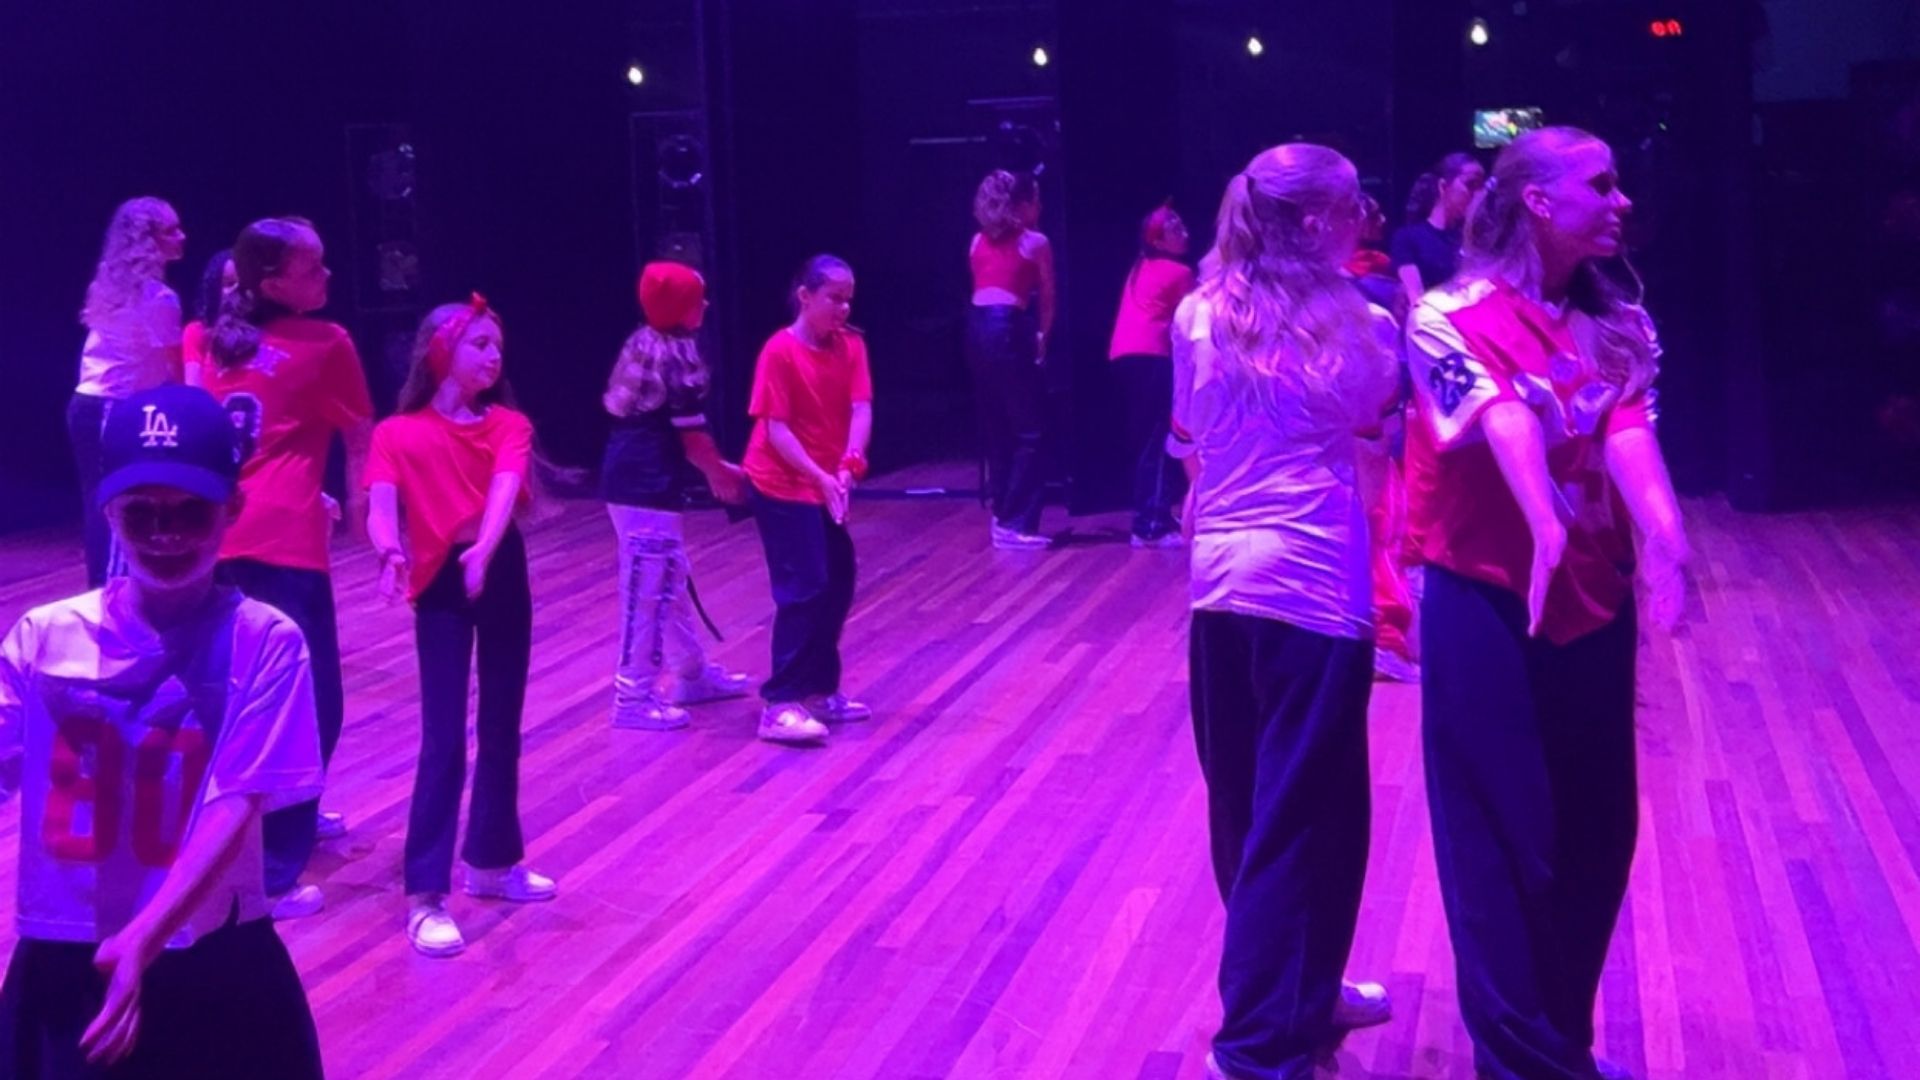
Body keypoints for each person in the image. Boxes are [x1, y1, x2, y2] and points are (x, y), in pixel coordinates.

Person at [1405, 127, 1691, 1080]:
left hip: (1592, 598)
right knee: (1501, 833)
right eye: (1601, 186)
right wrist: (1543, 522)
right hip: (1486, 596)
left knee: (1598, 833)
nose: (1621, 202)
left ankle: (1559, 1042)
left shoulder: (1621, 320)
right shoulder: (1446, 314)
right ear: (1537, 201)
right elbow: (1503, 416)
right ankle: (1522, 1060)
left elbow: (1627, 429)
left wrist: (1668, 539)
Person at [0, 384, 325, 1079]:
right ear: (108, 512)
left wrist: (144, 939)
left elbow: (235, 801)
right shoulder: (43, 637)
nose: (165, 534)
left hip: (211, 950)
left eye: (189, 512)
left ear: (232, 509)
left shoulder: (265, 642)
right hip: (69, 947)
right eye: (141, 513)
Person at [1172, 144, 1398, 1080]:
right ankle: (1259, 1047)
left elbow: (1190, 435)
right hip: (1314, 589)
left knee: (1246, 806)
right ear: (1314, 222)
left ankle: (1301, 992)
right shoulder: (1364, 324)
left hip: (1220, 584)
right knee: (1311, 817)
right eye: (1352, 208)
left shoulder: (1196, 313)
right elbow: (1378, 424)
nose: (1364, 221)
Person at [367, 295, 557, 957]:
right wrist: (389, 550)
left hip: (499, 567)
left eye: (497, 346)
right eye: (480, 344)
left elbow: (504, 489)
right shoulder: (398, 433)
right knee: (443, 736)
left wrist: (484, 549)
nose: (493, 356)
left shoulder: (508, 423)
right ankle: (425, 895)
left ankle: (492, 862)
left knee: (502, 722)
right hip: (440, 582)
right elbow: (381, 504)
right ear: (441, 351)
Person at [200, 217, 372, 919]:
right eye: (313, 269)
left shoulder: (202, 340)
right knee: (309, 702)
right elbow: (359, 437)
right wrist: (366, 519)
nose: (327, 277)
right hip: (285, 544)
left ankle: (237, 838)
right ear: (272, 284)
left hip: (213, 539)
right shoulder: (327, 343)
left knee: (230, 696)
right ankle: (270, 872)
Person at [601, 261, 753, 730]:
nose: (704, 305)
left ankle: (692, 675)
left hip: (635, 478)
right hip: (642, 485)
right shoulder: (675, 356)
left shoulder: (644, 342)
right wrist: (721, 474)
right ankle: (632, 697)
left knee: (668, 577)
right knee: (647, 589)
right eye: (695, 299)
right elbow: (692, 437)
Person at [742, 255, 874, 746]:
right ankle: (779, 703)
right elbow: (776, 430)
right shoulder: (779, 351)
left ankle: (819, 689)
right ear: (805, 296)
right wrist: (821, 477)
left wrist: (847, 466)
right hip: (781, 480)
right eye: (834, 298)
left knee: (838, 578)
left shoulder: (851, 345)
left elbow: (860, 409)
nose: (843, 308)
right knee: (804, 584)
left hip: (824, 479)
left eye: (848, 299)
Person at [71, 197, 187, 587]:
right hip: (112, 404)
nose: (182, 236)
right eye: (171, 230)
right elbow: (174, 369)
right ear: (147, 241)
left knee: (101, 499)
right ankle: (111, 591)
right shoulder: (159, 298)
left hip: (89, 404)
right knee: (115, 500)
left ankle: (107, 588)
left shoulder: (107, 286)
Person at [966, 169, 1057, 549]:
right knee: (1031, 431)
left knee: (998, 428)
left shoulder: (976, 241)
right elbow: (1048, 297)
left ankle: (1001, 512)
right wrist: (1042, 337)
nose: (1040, 207)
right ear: (1021, 205)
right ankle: (1015, 522)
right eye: (1036, 200)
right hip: (1006, 328)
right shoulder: (1035, 242)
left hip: (975, 328)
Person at [1108, 201, 1196, 548]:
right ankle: (1150, 526)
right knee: (1159, 439)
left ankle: (1152, 512)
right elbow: (1191, 322)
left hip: (1125, 355)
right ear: (1158, 241)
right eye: (1175, 229)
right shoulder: (1179, 273)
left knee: (1148, 438)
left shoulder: (1140, 267)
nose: (1184, 232)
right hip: (1151, 355)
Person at [1391, 152, 1486, 308]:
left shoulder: (1477, 239)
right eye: (1470, 185)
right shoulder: (1408, 238)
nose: (1477, 195)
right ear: (1443, 186)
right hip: (1433, 318)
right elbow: (1416, 297)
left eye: (1481, 188)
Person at [180, 248, 236, 388]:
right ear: (214, 290)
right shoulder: (197, 332)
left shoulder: (265, 331)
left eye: (243, 284)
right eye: (229, 284)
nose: (236, 290)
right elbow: (194, 388)